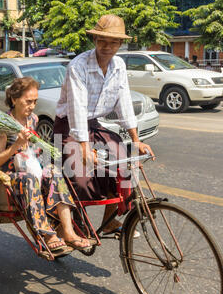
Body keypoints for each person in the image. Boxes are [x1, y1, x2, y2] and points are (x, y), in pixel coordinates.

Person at [53, 14, 154, 234]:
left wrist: (137, 141)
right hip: (69, 125)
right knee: (80, 172)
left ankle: (109, 222)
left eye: (113, 42)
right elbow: (77, 108)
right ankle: (71, 223)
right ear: (95, 41)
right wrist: (84, 147)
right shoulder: (78, 66)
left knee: (124, 165)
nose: (107, 47)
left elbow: (124, 102)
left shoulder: (118, 66)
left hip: (94, 125)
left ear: (120, 44)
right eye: (102, 41)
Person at [0, 77, 90, 256]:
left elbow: (34, 150)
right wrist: (16, 146)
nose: (32, 106)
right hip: (12, 176)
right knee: (28, 179)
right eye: (28, 101)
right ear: (14, 99)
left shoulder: (33, 119)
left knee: (55, 171)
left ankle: (68, 230)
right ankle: (46, 234)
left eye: (35, 101)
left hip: (31, 167)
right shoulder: (3, 124)